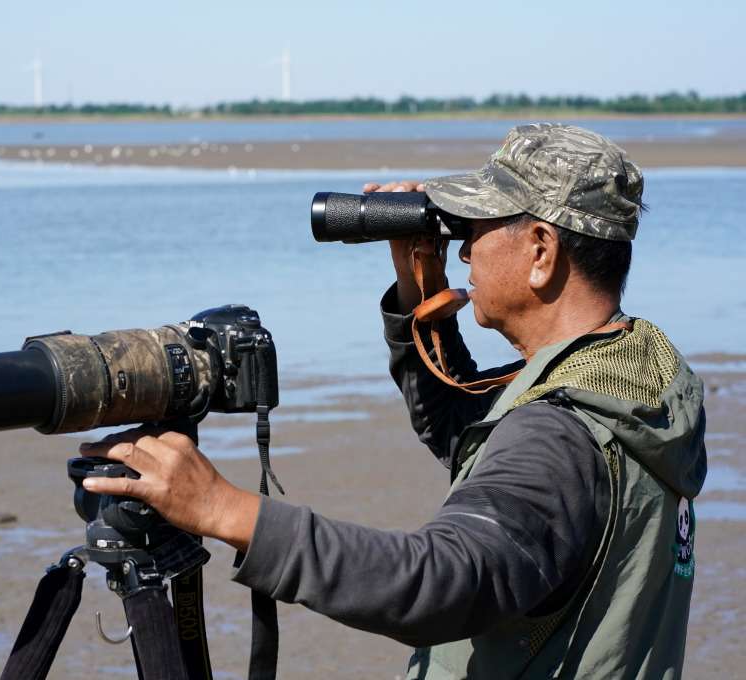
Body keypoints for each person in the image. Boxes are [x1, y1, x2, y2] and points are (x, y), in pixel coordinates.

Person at [79, 123, 707, 679]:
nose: (464, 249)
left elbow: (442, 579)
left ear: (541, 252)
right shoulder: (632, 378)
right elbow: (477, 443)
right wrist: (418, 291)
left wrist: (223, 511)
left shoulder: (558, 438)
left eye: (480, 227)